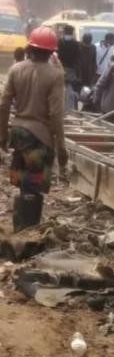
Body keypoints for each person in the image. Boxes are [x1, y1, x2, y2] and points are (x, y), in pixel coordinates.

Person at [0, 27, 67, 232]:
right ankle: (26, 234)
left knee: (23, 183)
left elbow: (4, 104)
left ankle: (19, 228)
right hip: (40, 137)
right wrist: (62, 147)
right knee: (33, 186)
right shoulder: (55, 75)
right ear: (51, 52)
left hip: (19, 133)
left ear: (30, 47)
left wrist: (2, 134)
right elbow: (56, 114)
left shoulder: (16, 69)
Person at [58, 25, 81, 111]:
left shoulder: (60, 42)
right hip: (71, 71)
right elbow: (78, 59)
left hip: (61, 69)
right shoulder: (76, 44)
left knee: (61, 90)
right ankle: (71, 110)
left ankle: (63, 108)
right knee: (71, 91)